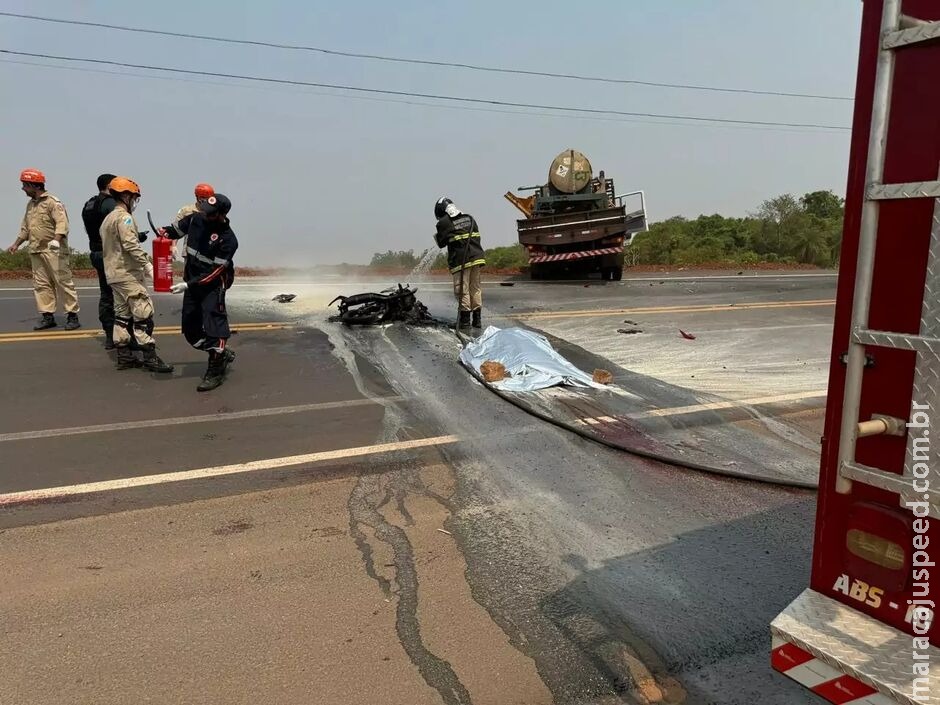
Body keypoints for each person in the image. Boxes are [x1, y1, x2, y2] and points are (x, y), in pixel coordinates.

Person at [161, 193, 238, 392]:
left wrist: (188, 285)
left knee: (215, 324)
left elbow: (215, 272)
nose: (205, 215)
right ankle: (220, 352)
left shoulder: (228, 240)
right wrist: (164, 232)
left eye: (210, 213)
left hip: (212, 285)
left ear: (221, 214)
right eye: (204, 210)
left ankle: (216, 366)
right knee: (191, 331)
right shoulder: (196, 218)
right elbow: (176, 230)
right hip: (193, 282)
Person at [99, 177, 173, 373]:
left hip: (113, 275)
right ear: (125, 196)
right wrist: (148, 266)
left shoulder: (107, 219)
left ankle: (124, 356)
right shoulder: (125, 218)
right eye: (133, 197)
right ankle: (150, 358)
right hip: (128, 274)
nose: (134, 201)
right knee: (143, 314)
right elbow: (131, 245)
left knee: (122, 315)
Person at [7, 168, 81, 331]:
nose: (23, 189)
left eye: (24, 185)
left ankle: (72, 315)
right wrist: (16, 243)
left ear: (33, 185)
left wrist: (56, 240)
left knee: (62, 282)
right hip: (36, 250)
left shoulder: (53, 202)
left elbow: (62, 224)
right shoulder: (31, 205)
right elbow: (26, 228)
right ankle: (48, 316)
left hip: (54, 251)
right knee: (41, 285)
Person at [434, 197, 485, 329]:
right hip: (477, 257)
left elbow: (440, 243)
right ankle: (477, 320)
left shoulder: (444, 222)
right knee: (475, 288)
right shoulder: (469, 218)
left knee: (462, 290)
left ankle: (465, 321)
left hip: (461, 260)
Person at [81, 173, 117, 347]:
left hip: (95, 252)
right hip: (110, 253)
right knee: (120, 295)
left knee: (105, 294)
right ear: (110, 185)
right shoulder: (110, 203)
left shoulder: (89, 204)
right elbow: (118, 227)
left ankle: (109, 334)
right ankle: (122, 336)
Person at [172, 183, 214, 260]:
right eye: (203, 197)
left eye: (207, 198)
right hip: (189, 251)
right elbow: (176, 230)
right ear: (197, 197)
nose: (205, 200)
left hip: (208, 252)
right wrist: (173, 246)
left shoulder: (214, 212)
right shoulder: (186, 210)